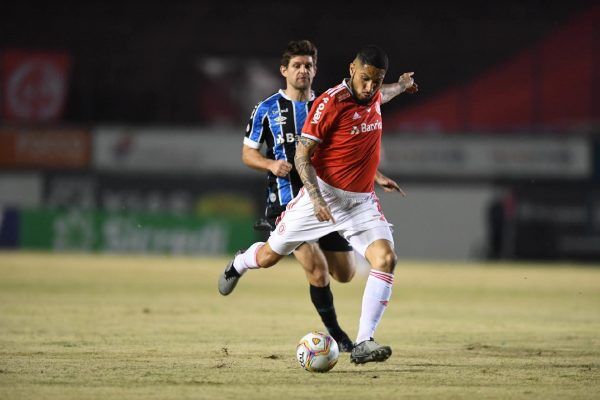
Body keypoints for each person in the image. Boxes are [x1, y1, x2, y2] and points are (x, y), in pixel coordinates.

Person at [220, 44, 417, 364]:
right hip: (321, 198)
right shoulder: (329, 103)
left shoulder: (374, 94)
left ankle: (364, 341)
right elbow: (301, 155)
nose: (370, 88)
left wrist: (402, 86)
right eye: (365, 79)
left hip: (361, 203)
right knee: (270, 256)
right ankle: (241, 263)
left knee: (385, 259)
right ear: (352, 69)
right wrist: (314, 198)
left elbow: (384, 95)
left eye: (377, 81)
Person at [227, 40, 355, 352]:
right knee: (317, 268)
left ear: (315, 70)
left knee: (345, 274)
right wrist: (269, 163)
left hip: (326, 201)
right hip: (286, 202)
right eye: (296, 65)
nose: (303, 70)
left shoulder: (327, 106)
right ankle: (338, 336)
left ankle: (244, 260)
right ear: (284, 70)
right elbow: (247, 153)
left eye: (308, 65)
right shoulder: (266, 109)